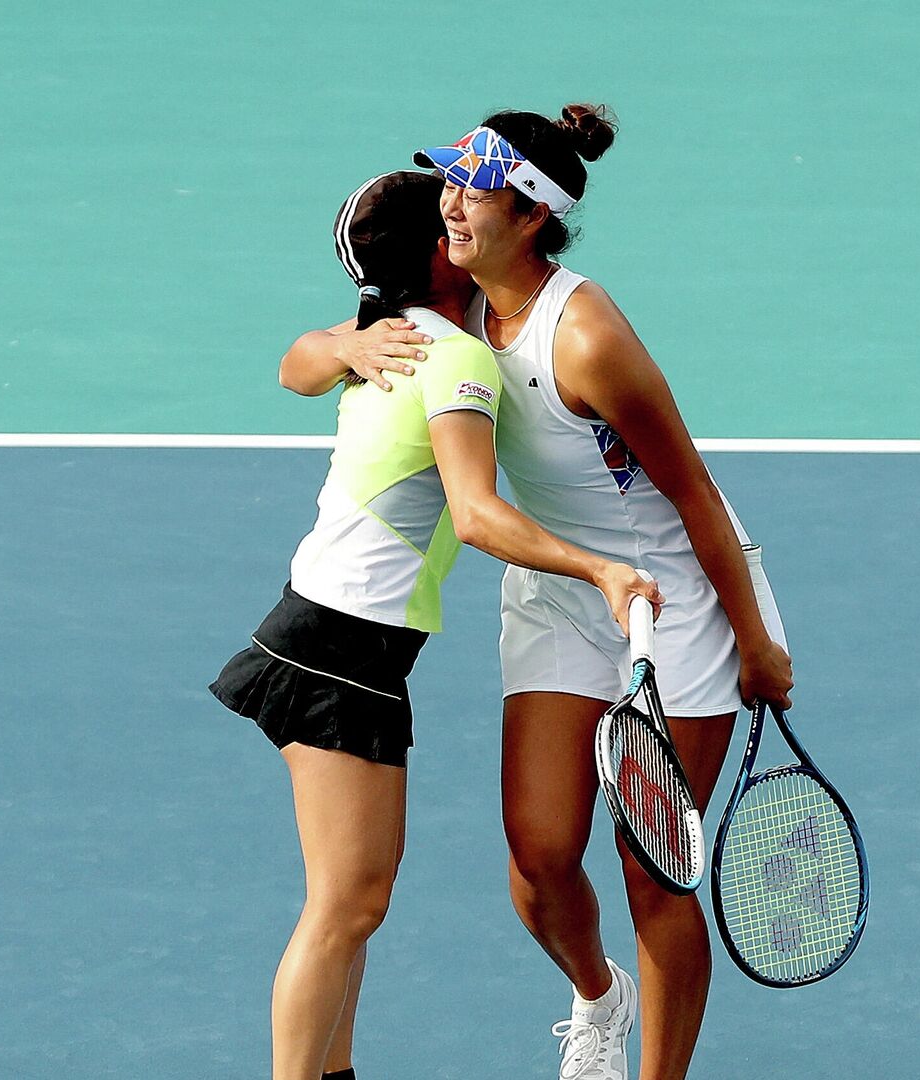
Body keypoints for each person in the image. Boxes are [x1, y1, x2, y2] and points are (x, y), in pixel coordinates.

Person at [210, 170, 660, 1080]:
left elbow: (296, 364)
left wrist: (341, 340)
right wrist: (601, 565)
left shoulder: (385, 339)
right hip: (339, 647)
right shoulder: (449, 358)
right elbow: (478, 515)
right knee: (344, 908)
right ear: (434, 253)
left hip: (331, 639)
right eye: (450, 219)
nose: (466, 221)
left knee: (354, 907)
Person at [413, 107, 795, 1080]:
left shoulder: (585, 338)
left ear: (532, 215)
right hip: (556, 595)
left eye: (475, 188)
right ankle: (598, 995)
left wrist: (754, 638)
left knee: (653, 871)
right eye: (449, 181)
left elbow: (694, 492)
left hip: (672, 609)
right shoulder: (450, 298)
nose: (451, 201)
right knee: (540, 859)